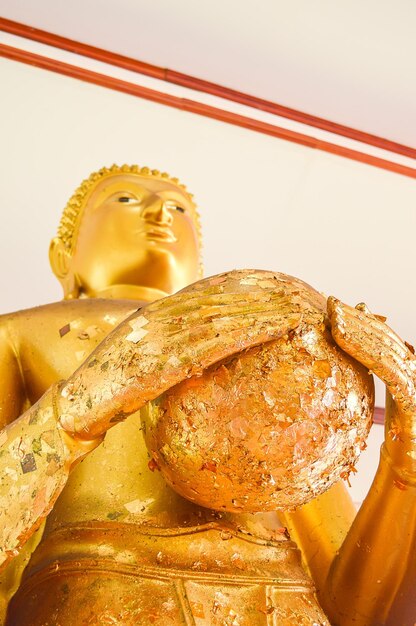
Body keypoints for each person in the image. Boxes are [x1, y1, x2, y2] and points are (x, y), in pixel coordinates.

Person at [0, 164, 414, 625]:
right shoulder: (21, 333)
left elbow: (362, 612)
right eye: (124, 199)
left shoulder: (270, 346)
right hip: (99, 597)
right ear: (63, 258)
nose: (159, 212)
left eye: (177, 208)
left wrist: (407, 456)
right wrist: (83, 401)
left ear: (201, 270)